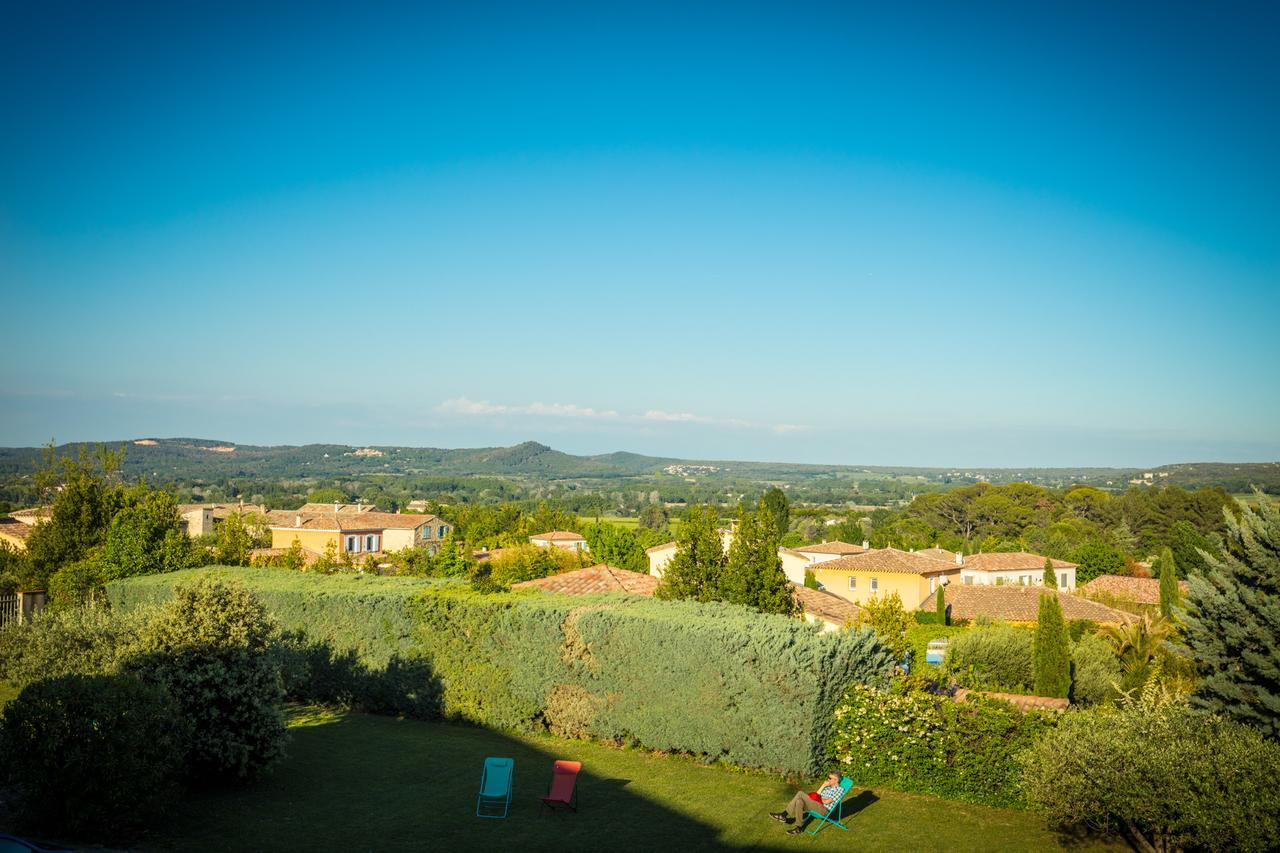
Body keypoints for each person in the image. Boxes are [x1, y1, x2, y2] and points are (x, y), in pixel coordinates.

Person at [770, 771, 844, 835]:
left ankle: (784, 814)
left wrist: (818, 799)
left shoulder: (840, 790)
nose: (828, 779)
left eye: (829, 778)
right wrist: (823, 785)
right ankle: (799, 828)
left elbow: (827, 801)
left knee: (800, 793)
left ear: (836, 780)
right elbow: (816, 794)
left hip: (825, 810)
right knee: (799, 801)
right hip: (817, 805)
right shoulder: (828, 787)